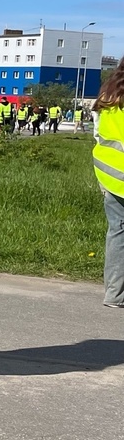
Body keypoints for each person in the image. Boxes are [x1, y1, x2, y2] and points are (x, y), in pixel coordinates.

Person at [93, 68, 124, 309]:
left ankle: (114, 294)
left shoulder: (107, 95)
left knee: (117, 232)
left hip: (109, 172)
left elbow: (98, 134)